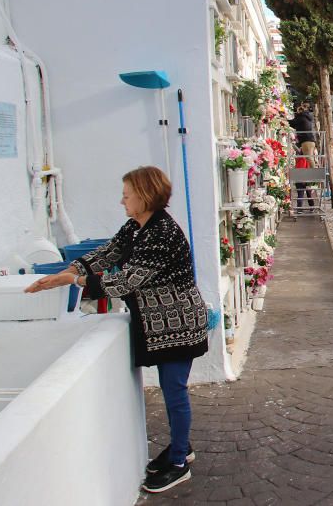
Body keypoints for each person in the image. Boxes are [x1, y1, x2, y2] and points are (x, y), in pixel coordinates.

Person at [25, 166, 208, 493]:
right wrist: (72, 268)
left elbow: (127, 281)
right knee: (171, 390)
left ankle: (180, 462)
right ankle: (182, 447)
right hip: (159, 324)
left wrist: (75, 280)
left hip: (178, 324)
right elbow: (109, 252)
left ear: (145, 196)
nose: (121, 201)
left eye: (127, 195)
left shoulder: (162, 233)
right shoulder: (136, 227)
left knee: (174, 390)